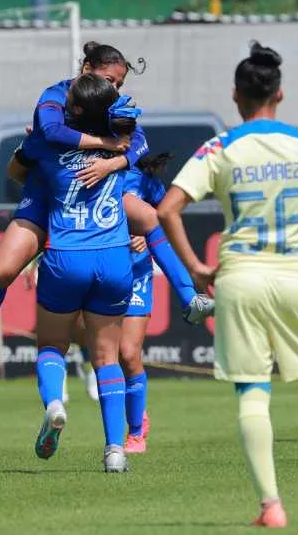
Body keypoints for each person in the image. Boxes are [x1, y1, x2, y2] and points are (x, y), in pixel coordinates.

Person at [158, 42, 298, 526]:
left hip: (241, 280)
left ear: (237, 96)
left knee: (253, 391)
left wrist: (195, 265)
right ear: (280, 93)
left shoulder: (220, 148)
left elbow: (168, 208)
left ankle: (271, 507)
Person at [0, 41, 212, 388]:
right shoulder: (55, 96)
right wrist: (105, 145)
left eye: (120, 84)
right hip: (46, 198)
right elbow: (51, 133)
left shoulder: (114, 106)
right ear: (86, 68)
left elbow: (139, 143)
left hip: (91, 204)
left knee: (149, 217)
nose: (115, 90)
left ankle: (189, 297)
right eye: (109, 80)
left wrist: (114, 163)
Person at [20, 73, 138, 473]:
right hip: (114, 258)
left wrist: (33, 143)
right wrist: (115, 157)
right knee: (106, 357)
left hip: (66, 257)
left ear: (73, 110)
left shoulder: (50, 143)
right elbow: (141, 141)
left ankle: (55, 403)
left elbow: (16, 169)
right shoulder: (121, 141)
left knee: (52, 346)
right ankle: (115, 450)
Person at [119, 152, 176, 454]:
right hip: (99, 270)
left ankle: (136, 431)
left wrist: (148, 233)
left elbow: (167, 220)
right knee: (105, 353)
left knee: (128, 353)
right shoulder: (92, 173)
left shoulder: (146, 183)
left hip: (136, 273)